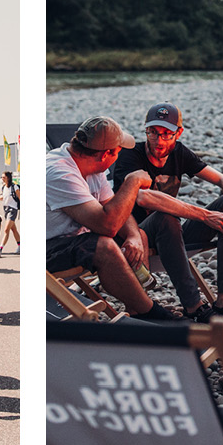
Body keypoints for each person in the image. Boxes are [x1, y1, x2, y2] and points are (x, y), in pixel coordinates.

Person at [113, 103, 223, 331]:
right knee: (167, 216)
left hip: (172, 235)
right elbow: (144, 198)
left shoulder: (179, 153)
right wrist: (204, 216)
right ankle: (193, 306)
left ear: (178, 133)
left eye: (166, 134)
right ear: (146, 131)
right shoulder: (130, 156)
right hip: (136, 234)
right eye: (153, 132)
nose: (159, 140)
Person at [46, 115, 178, 321]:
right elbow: (107, 225)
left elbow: (113, 207)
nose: (118, 156)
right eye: (117, 152)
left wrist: (133, 235)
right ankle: (150, 312)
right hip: (46, 249)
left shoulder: (91, 165)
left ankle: (135, 313)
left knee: (139, 235)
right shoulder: (59, 173)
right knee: (105, 247)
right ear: (105, 154)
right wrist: (132, 182)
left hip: (74, 238)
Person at [0, 171, 20, 255]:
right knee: (14, 229)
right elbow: (5, 198)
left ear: (8, 178)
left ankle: (0, 249)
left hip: (13, 210)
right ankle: (20, 246)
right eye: (2, 177)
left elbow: (20, 197)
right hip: (5, 209)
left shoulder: (14, 187)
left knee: (6, 229)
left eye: (4, 177)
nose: (2, 179)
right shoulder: (3, 187)